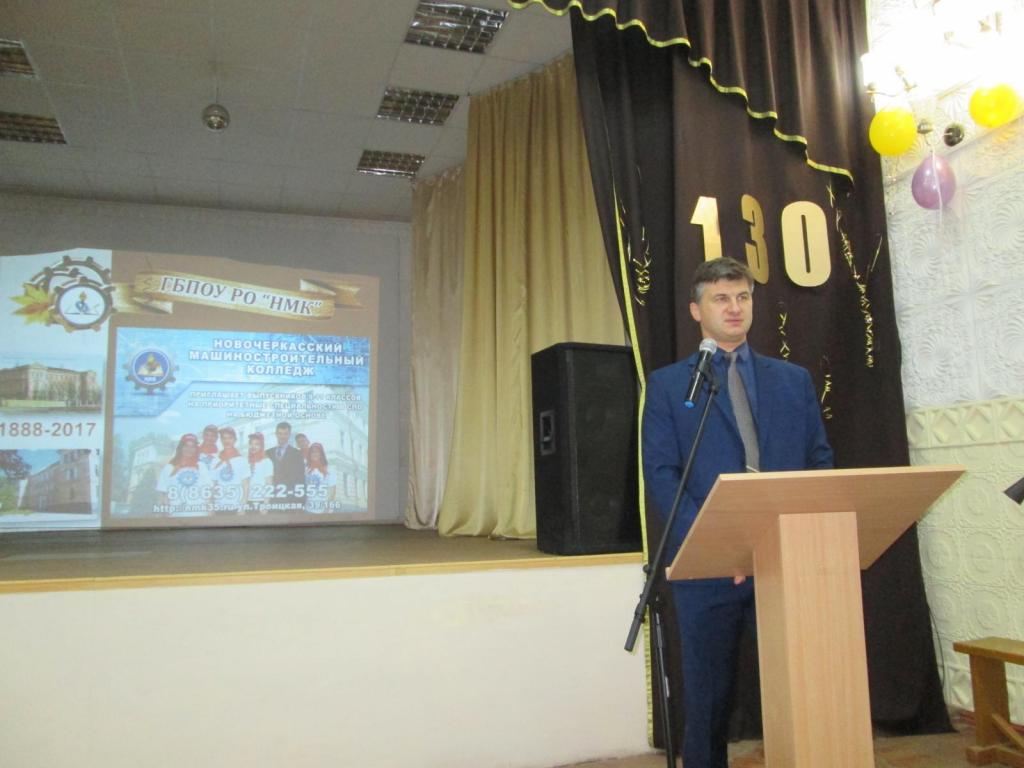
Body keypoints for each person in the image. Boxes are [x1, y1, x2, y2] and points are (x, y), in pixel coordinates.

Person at [642, 257, 833, 768]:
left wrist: (802, 538)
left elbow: (819, 462)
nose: (734, 307)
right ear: (696, 311)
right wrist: (717, 547)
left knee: (802, 687)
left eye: (743, 297)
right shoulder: (670, 386)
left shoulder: (792, 380)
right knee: (708, 702)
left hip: (785, 560)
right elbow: (662, 475)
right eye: (721, 298)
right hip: (709, 568)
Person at [155, 433, 212, 516]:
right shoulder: (169, 467)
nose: (189, 449)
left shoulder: (201, 466)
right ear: (181, 447)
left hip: (201, 516)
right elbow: (163, 496)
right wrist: (167, 517)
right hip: (176, 518)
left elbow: (208, 495)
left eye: (192, 447)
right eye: (186, 446)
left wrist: (210, 516)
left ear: (196, 449)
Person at [211, 426, 250, 513]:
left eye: (230, 438)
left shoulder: (242, 460)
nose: (227, 441)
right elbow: (213, 485)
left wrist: (242, 508)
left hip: (236, 507)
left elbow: (246, 487)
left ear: (235, 440)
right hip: (219, 507)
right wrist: (212, 506)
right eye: (224, 438)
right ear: (221, 440)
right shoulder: (216, 460)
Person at [269, 421, 305, 495]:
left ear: (289, 435)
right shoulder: (268, 453)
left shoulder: (297, 454)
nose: (282, 436)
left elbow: (300, 478)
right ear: (276, 434)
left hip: (289, 496)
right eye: (280, 433)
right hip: (271, 496)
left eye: (285, 434)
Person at [303, 442, 337, 513]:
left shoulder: (329, 469)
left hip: (323, 511)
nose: (315, 454)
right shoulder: (306, 469)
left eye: (317, 452)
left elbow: (332, 491)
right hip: (308, 510)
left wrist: (327, 509)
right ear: (310, 454)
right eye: (312, 452)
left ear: (321, 454)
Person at [247, 433, 274, 513]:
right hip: (247, 501)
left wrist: (265, 504)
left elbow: (269, 484)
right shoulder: (247, 461)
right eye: (251, 443)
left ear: (261, 446)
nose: (253, 446)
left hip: (261, 501)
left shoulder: (266, 461)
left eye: (257, 444)